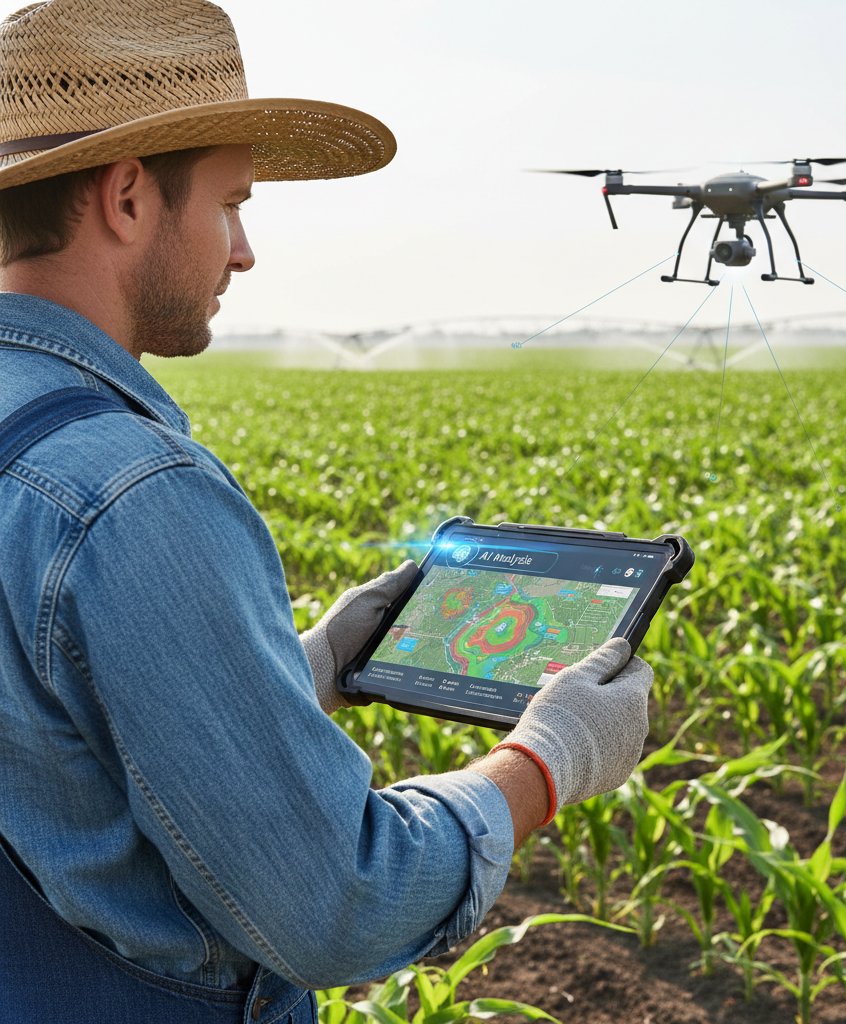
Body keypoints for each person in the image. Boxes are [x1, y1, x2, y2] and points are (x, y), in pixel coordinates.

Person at [0, 2, 655, 1020]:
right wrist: (548, 759)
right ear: (127, 196)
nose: (245, 250)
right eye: (229, 203)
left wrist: (305, 669)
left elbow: (42, 747)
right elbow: (337, 902)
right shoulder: (129, 491)